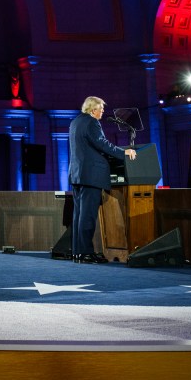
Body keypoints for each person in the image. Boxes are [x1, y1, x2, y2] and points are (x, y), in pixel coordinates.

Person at [68, 96, 136, 263]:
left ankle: (78, 252)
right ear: (93, 110)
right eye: (101, 109)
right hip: (91, 175)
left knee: (78, 215)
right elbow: (102, 144)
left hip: (77, 174)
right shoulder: (92, 122)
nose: (103, 112)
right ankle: (86, 253)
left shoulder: (75, 122)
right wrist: (123, 152)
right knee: (88, 216)